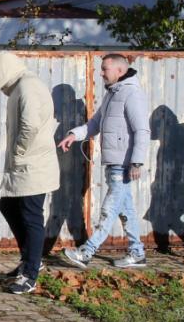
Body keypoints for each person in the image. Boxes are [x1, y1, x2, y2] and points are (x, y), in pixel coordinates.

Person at [58, 54, 150, 269]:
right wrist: (74, 135)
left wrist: (136, 162)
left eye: (105, 69)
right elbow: (95, 123)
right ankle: (137, 253)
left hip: (124, 164)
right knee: (126, 210)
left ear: (119, 70)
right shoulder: (112, 93)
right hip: (114, 163)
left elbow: (142, 130)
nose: (101, 73)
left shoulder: (131, 93)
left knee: (109, 208)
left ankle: (87, 251)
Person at [0, 52, 60, 294]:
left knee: (31, 216)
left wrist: (18, 151)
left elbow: (29, 125)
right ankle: (29, 259)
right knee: (9, 206)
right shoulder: (22, 86)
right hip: (25, 164)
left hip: (33, 165)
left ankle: (30, 273)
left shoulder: (28, 87)